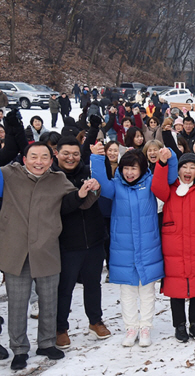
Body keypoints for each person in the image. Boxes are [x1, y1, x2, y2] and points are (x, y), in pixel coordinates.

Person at [0, 143, 99, 370]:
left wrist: (89, 190)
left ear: (51, 159)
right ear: (24, 159)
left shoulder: (57, 179)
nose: (39, 162)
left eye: (44, 157)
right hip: (16, 251)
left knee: (49, 301)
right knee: (17, 303)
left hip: (46, 249)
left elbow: (79, 200)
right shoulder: (9, 174)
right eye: (33, 157)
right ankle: (19, 349)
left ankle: (46, 343)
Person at [91, 145, 177, 347]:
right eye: (126, 168)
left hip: (148, 246)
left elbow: (170, 178)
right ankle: (131, 327)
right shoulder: (115, 186)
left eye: (134, 168)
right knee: (127, 291)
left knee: (147, 290)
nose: (129, 173)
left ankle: (145, 326)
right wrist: (96, 157)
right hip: (123, 249)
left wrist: (170, 157)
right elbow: (101, 181)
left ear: (142, 169)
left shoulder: (151, 183)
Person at [152, 149, 195, 343]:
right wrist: (162, 164)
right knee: (176, 285)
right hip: (174, 243)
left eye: (192, 167)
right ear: (178, 170)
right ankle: (179, 324)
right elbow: (157, 187)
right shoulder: (170, 189)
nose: (188, 171)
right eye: (184, 167)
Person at [53, 137, 110, 350]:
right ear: (56, 154)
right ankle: (61, 328)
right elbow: (59, 208)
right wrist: (80, 195)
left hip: (94, 239)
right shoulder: (52, 178)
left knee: (93, 283)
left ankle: (95, 321)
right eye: (66, 153)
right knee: (65, 287)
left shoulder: (88, 171)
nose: (71, 158)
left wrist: (95, 187)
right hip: (68, 242)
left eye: (75, 154)